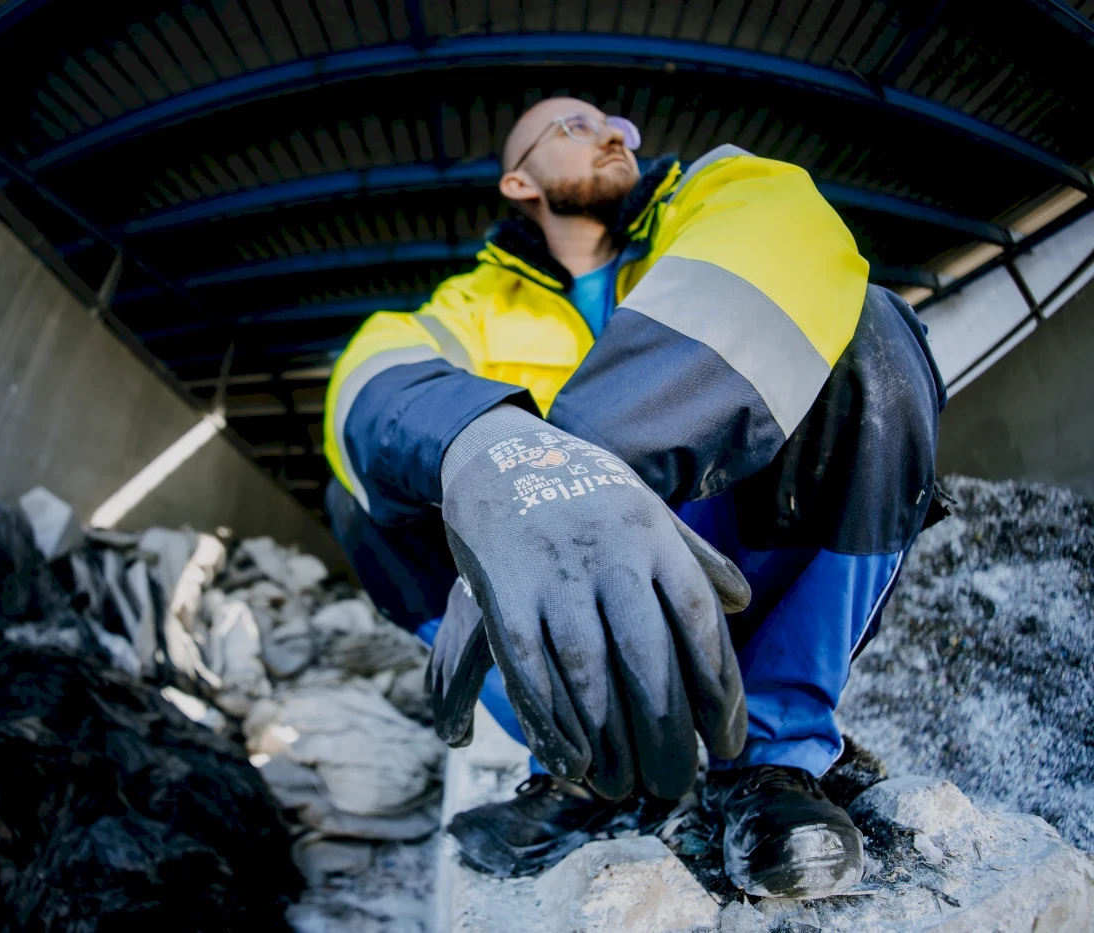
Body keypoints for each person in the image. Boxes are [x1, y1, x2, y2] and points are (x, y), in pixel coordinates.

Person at [321, 96, 945, 897]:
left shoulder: (711, 192)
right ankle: (581, 760)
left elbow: (786, 245)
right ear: (519, 181)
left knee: (870, 332)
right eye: (574, 127)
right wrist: (482, 447)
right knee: (361, 489)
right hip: (554, 614)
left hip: (729, 577)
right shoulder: (470, 306)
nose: (615, 132)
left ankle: (769, 761)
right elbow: (368, 377)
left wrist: (563, 476)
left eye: (618, 125)